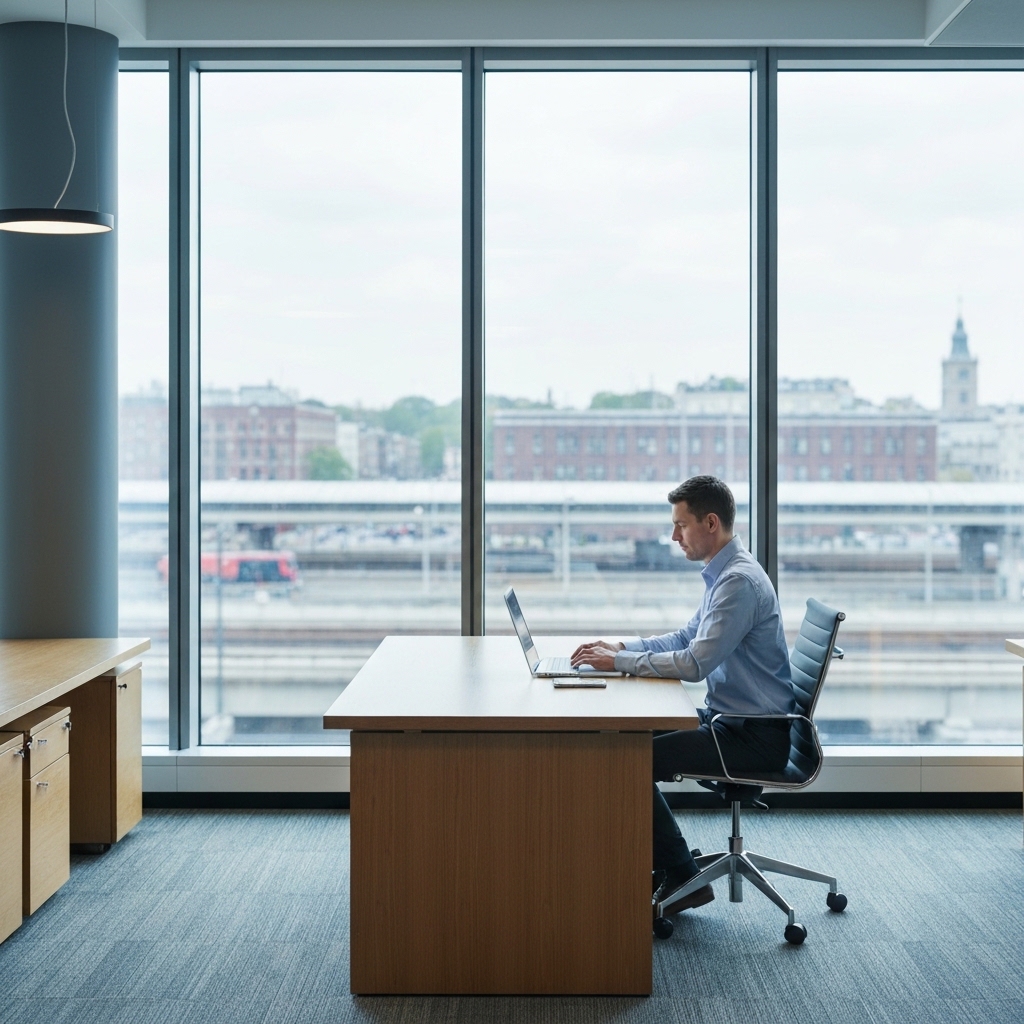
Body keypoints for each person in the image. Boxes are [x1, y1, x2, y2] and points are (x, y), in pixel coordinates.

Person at [571, 475, 794, 915]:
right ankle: (669, 865)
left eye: (681, 525)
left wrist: (617, 664)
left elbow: (694, 663)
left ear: (711, 523)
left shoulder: (737, 583)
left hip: (754, 738)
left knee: (627, 763)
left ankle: (681, 876)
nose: (673, 536)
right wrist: (623, 648)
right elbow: (687, 636)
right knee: (621, 741)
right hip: (732, 721)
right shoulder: (725, 573)